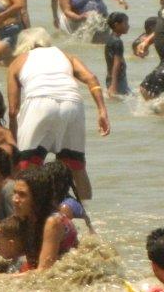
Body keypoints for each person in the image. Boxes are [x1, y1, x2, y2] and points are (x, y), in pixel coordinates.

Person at [7, 28, 109, 205]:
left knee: (28, 168)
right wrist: (102, 111)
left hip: (39, 103)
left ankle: (31, 215)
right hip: (72, 103)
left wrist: (15, 143)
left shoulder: (18, 62)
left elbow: (13, 110)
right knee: (76, 167)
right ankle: (85, 214)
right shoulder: (66, 56)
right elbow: (91, 79)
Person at [12, 166, 78, 271]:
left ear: (37, 198)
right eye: (14, 192)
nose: (15, 199)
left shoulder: (53, 223)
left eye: (22, 194)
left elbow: (43, 272)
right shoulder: (25, 216)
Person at [104, 12, 130, 97]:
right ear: (116, 25)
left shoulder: (110, 38)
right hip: (118, 80)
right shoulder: (117, 42)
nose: (128, 26)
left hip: (112, 78)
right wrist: (114, 85)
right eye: (125, 23)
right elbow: (116, 63)